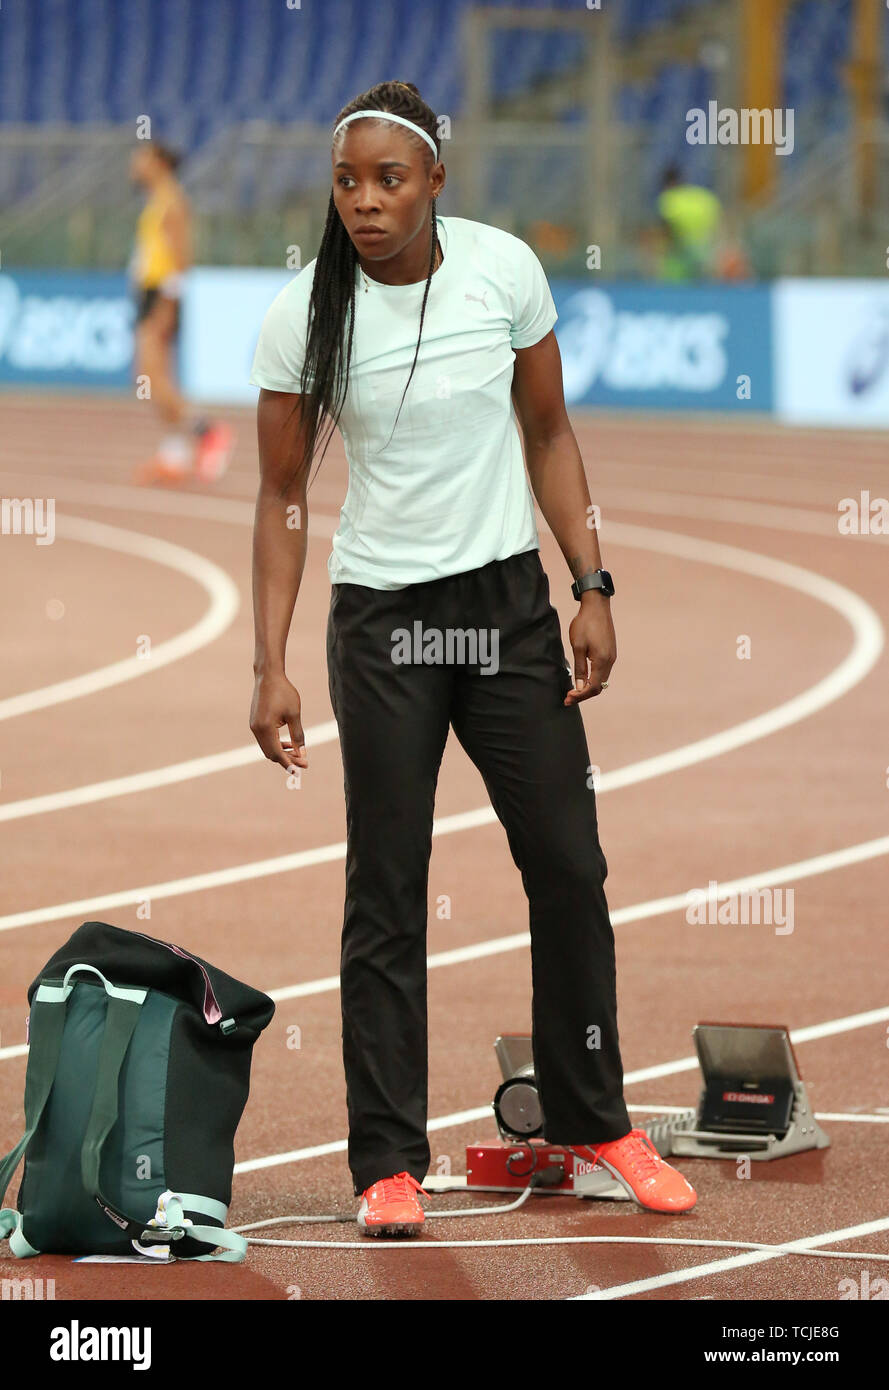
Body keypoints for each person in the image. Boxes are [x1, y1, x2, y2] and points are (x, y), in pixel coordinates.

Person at [248, 80, 697, 1236]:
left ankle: (595, 1122)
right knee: (386, 891)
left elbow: (550, 433)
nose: (364, 202)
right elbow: (282, 497)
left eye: (389, 180)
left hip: (506, 614)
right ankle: (387, 1165)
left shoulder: (503, 273)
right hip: (384, 628)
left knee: (568, 863)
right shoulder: (306, 311)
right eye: (348, 182)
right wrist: (270, 661)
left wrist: (588, 583)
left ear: (436, 181)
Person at [129, 141, 233, 485]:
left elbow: (181, 259)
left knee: (152, 379)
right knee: (153, 378)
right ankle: (175, 452)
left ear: (158, 162)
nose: (135, 164)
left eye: (141, 158)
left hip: (161, 295)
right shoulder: (158, 199)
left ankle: (206, 431)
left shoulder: (172, 201)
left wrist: (168, 306)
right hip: (150, 293)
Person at [656, 163, 723, 282]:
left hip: (679, 257)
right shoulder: (704, 197)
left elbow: (667, 230)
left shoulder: (669, 199)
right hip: (706, 255)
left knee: (675, 295)